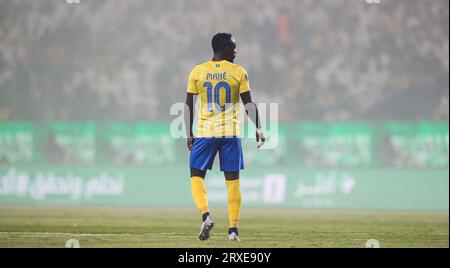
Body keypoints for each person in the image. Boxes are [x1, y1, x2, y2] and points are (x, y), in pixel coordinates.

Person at [184, 33, 265, 241]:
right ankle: (233, 231)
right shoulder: (238, 72)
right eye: (233, 46)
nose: (236, 50)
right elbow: (248, 103)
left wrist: (188, 132)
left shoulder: (198, 71)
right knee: (233, 182)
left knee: (196, 175)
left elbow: (188, 105)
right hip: (231, 133)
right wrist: (260, 128)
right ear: (223, 48)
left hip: (205, 133)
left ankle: (206, 215)